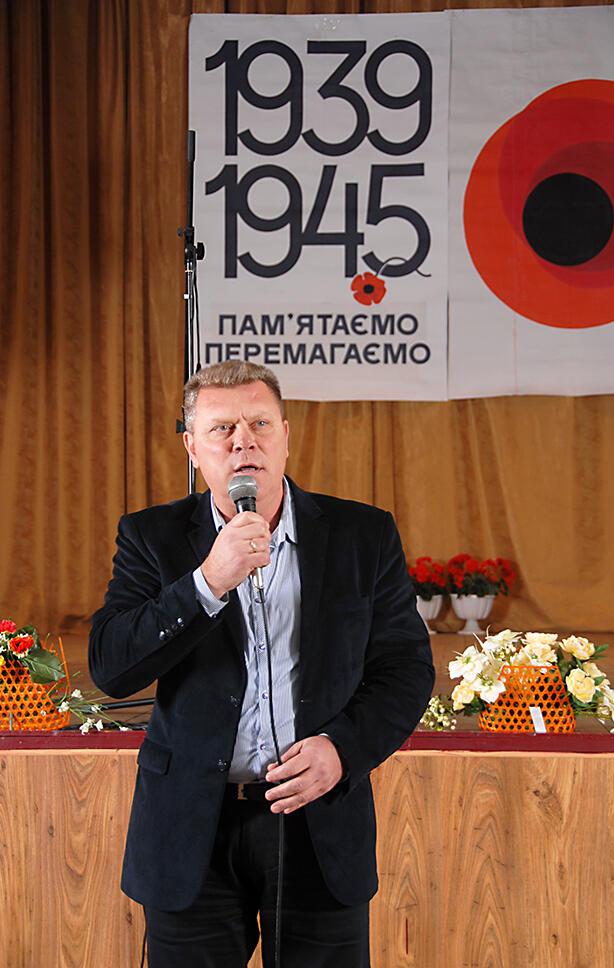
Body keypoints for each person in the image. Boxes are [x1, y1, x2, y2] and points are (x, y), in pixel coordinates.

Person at [89, 360, 434, 968]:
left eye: (260, 424)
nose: (243, 442)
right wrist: (207, 581)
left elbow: (405, 670)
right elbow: (112, 667)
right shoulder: (150, 536)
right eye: (222, 429)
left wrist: (343, 750)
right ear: (192, 447)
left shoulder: (363, 534)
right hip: (192, 830)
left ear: (286, 436)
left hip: (316, 822)